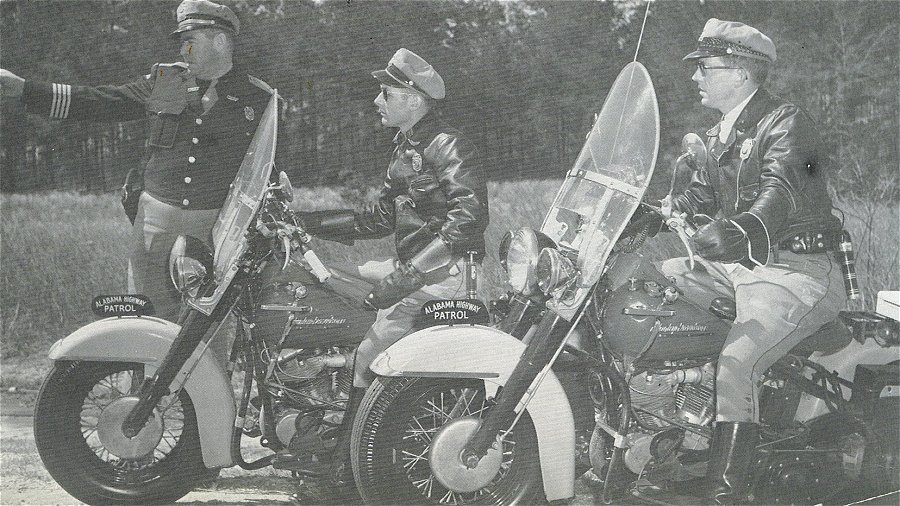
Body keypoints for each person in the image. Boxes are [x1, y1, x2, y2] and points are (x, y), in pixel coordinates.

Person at [653, 18, 848, 504]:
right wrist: (644, 217)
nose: (695, 77)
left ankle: (723, 491)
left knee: (737, 364)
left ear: (739, 72)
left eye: (704, 67)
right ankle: (681, 437)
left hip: (796, 272)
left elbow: (782, 188)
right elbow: (694, 202)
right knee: (649, 293)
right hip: (741, 267)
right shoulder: (717, 135)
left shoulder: (788, 122)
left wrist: (742, 229)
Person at [0, 0, 275, 324]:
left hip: (214, 231)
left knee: (203, 330)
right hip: (154, 225)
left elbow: (271, 171)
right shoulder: (166, 82)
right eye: (181, 42)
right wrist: (26, 91)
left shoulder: (258, 99)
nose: (184, 51)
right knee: (143, 320)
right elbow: (101, 101)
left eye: (192, 41)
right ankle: (140, 377)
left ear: (220, 40)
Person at [296, 47, 489, 493]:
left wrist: (403, 282)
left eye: (386, 93)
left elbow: (468, 221)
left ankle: (346, 475)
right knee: (325, 279)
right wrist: (304, 220)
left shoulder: (448, 145)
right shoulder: (407, 147)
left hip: (444, 277)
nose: (377, 101)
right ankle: (319, 424)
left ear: (414, 99)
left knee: (369, 356)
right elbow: (375, 219)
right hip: (415, 270)